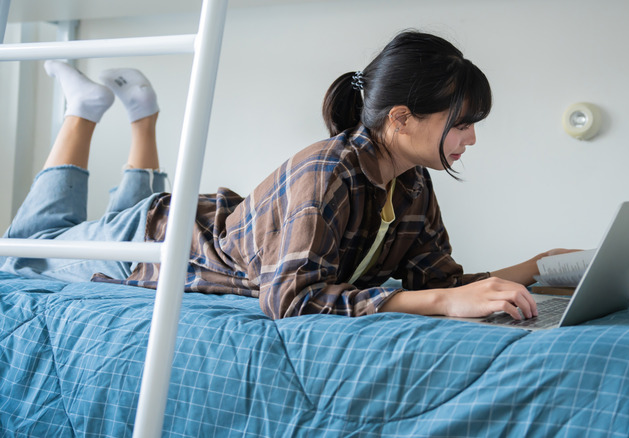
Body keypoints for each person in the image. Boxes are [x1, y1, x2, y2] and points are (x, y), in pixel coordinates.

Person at [1, 31, 568, 320]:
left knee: (50, 242)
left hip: (181, 219)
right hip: (154, 242)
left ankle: (139, 118)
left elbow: (441, 280)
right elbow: (292, 299)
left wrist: (544, 269)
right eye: (462, 124)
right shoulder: (329, 170)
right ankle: (83, 113)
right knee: (22, 254)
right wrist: (441, 305)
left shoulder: (413, 183)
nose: (471, 139)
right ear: (401, 118)